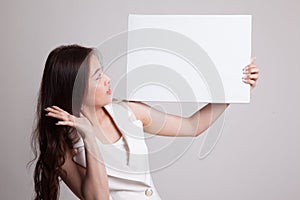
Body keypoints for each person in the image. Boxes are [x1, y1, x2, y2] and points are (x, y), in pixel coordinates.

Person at [30, 44, 259, 200]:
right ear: (76, 88)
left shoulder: (129, 112)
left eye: (104, 71)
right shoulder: (61, 147)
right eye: (98, 77)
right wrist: (89, 136)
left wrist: (234, 88)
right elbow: (98, 198)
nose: (108, 79)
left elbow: (193, 126)